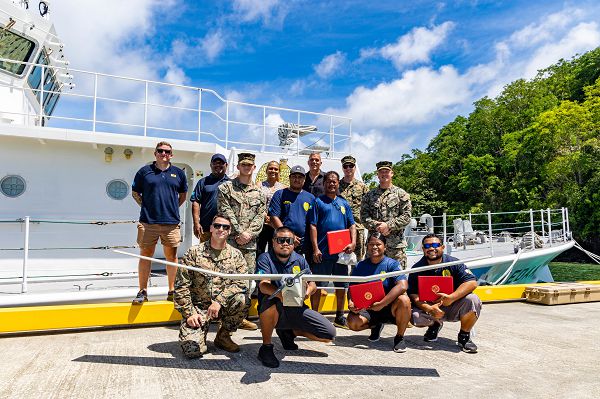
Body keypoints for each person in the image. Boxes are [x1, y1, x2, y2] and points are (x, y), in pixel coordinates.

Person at [256, 227, 336, 368]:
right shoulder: (265, 258)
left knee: (328, 334)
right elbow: (263, 285)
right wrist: (283, 296)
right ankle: (266, 347)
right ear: (273, 242)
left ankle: (288, 332)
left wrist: (307, 292)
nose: (285, 243)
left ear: (294, 243)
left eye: (289, 240)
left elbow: (313, 284)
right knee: (270, 306)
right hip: (275, 305)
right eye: (281, 240)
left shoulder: (300, 260)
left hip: (296, 307)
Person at [174, 214, 250, 358]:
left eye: (225, 227)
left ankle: (223, 336)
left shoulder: (236, 255)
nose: (220, 229)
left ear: (229, 231)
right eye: (217, 225)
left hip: (223, 306)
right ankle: (199, 336)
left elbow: (241, 283)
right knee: (193, 351)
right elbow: (181, 286)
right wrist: (189, 313)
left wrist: (219, 302)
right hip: (199, 308)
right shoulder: (194, 253)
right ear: (211, 228)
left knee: (242, 299)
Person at [131, 141, 187, 304]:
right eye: (161, 151)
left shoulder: (178, 173)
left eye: (167, 151)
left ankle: (172, 291)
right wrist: (147, 206)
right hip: (148, 222)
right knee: (146, 256)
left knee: (172, 257)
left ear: (172, 154)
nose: (164, 154)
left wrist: (171, 208)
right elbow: (135, 192)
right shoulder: (144, 172)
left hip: (171, 223)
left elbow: (183, 195)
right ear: (155, 153)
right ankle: (142, 291)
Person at [408, 234, 481, 353]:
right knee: (415, 316)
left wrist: (452, 297)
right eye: (427, 246)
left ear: (442, 247)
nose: (431, 248)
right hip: (430, 308)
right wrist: (429, 308)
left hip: (452, 305)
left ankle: (464, 336)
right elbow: (413, 293)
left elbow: (472, 283)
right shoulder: (417, 268)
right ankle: (434, 325)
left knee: (473, 299)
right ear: (423, 249)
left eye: (435, 245)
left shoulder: (454, 263)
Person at [217, 152, 266, 330]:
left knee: (247, 282)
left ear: (253, 167)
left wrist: (248, 235)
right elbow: (224, 211)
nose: (246, 167)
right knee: (227, 280)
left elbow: (260, 218)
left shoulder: (259, 194)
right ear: (238, 167)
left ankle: (241, 317)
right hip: (229, 242)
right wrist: (239, 232)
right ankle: (223, 317)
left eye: (249, 165)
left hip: (250, 245)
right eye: (243, 164)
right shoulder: (226, 189)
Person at [346, 232, 412, 352]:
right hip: (369, 308)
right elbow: (352, 287)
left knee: (404, 300)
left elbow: (403, 286)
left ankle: (399, 337)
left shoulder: (392, 264)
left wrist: (382, 303)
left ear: (385, 247)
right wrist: (350, 302)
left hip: (389, 307)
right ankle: (376, 325)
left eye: (378, 244)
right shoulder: (360, 266)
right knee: (352, 323)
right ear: (367, 246)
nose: (374, 247)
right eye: (371, 244)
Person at [307, 171, 356, 327]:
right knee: (318, 285)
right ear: (324, 183)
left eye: (334, 181)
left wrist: (353, 242)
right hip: (323, 252)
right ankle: (315, 316)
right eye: (328, 181)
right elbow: (312, 225)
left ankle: (339, 316)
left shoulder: (344, 203)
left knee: (341, 286)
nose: (332, 184)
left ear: (338, 183)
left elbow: (352, 225)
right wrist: (315, 248)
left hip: (341, 254)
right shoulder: (318, 202)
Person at [361, 161, 412, 269]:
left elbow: (407, 216)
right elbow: (364, 217)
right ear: (377, 175)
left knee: (397, 277)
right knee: (373, 276)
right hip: (374, 245)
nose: (384, 174)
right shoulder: (369, 195)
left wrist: (388, 225)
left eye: (387, 171)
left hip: (395, 246)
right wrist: (378, 226)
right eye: (381, 172)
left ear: (392, 173)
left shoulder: (401, 194)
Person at [268, 165, 315, 254]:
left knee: (302, 267)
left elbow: (313, 222)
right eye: (294, 177)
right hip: (283, 242)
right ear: (289, 178)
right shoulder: (279, 194)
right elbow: (274, 217)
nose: (297, 180)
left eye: (300, 177)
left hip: (304, 243)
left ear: (304, 180)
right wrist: (289, 237)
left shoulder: (311, 198)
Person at [191, 153, 230, 242]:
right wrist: (196, 223)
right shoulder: (203, 182)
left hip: (225, 228)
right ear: (211, 165)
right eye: (215, 163)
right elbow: (195, 202)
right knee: (205, 255)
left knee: (225, 254)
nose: (218, 165)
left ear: (226, 165)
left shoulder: (231, 183)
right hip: (206, 228)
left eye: (221, 163)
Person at [339, 155, 369, 261]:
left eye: (351, 166)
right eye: (345, 166)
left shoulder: (362, 187)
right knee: (340, 259)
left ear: (354, 167)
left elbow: (368, 206)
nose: (348, 168)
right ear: (342, 168)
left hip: (358, 228)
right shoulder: (337, 186)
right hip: (341, 228)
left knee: (358, 259)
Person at [257, 161, 286, 254]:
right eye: (271, 168)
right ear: (266, 170)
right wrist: (264, 215)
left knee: (274, 251)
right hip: (261, 223)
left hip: (275, 225)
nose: (273, 171)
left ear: (279, 171)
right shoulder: (259, 185)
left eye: (276, 169)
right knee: (259, 250)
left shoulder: (283, 188)